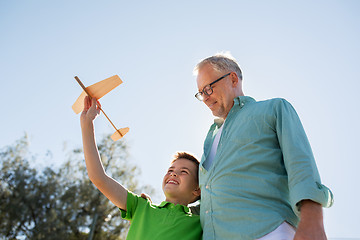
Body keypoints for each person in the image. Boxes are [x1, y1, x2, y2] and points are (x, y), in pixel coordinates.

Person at [193, 52, 334, 240]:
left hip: (269, 232)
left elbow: (300, 163)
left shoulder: (273, 109)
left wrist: (313, 219)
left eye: (209, 88)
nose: (206, 98)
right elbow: (212, 197)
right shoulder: (210, 139)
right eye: (201, 93)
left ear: (233, 79)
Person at [80, 96, 202, 240]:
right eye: (170, 170)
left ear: (197, 189)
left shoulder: (201, 224)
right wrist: (87, 124)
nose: (173, 174)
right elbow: (98, 177)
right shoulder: (141, 207)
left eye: (184, 172)